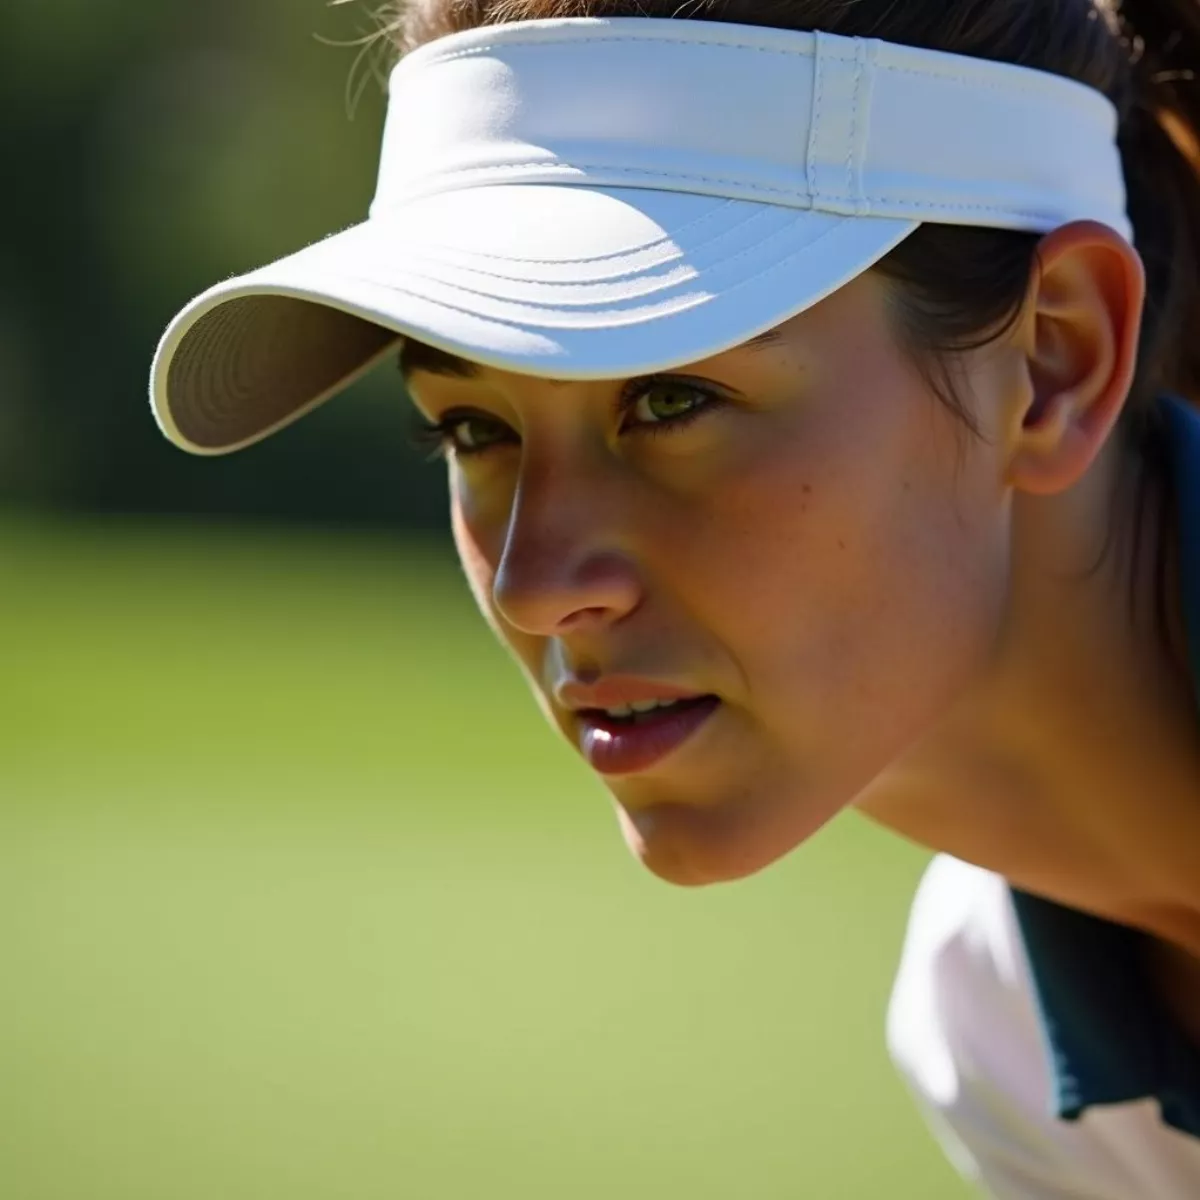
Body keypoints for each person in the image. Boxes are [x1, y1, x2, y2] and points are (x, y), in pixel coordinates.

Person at [149, 0, 1200, 1194]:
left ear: (1055, 358)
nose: (535, 586)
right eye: (473, 427)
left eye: (671, 400)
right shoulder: (992, 1034)